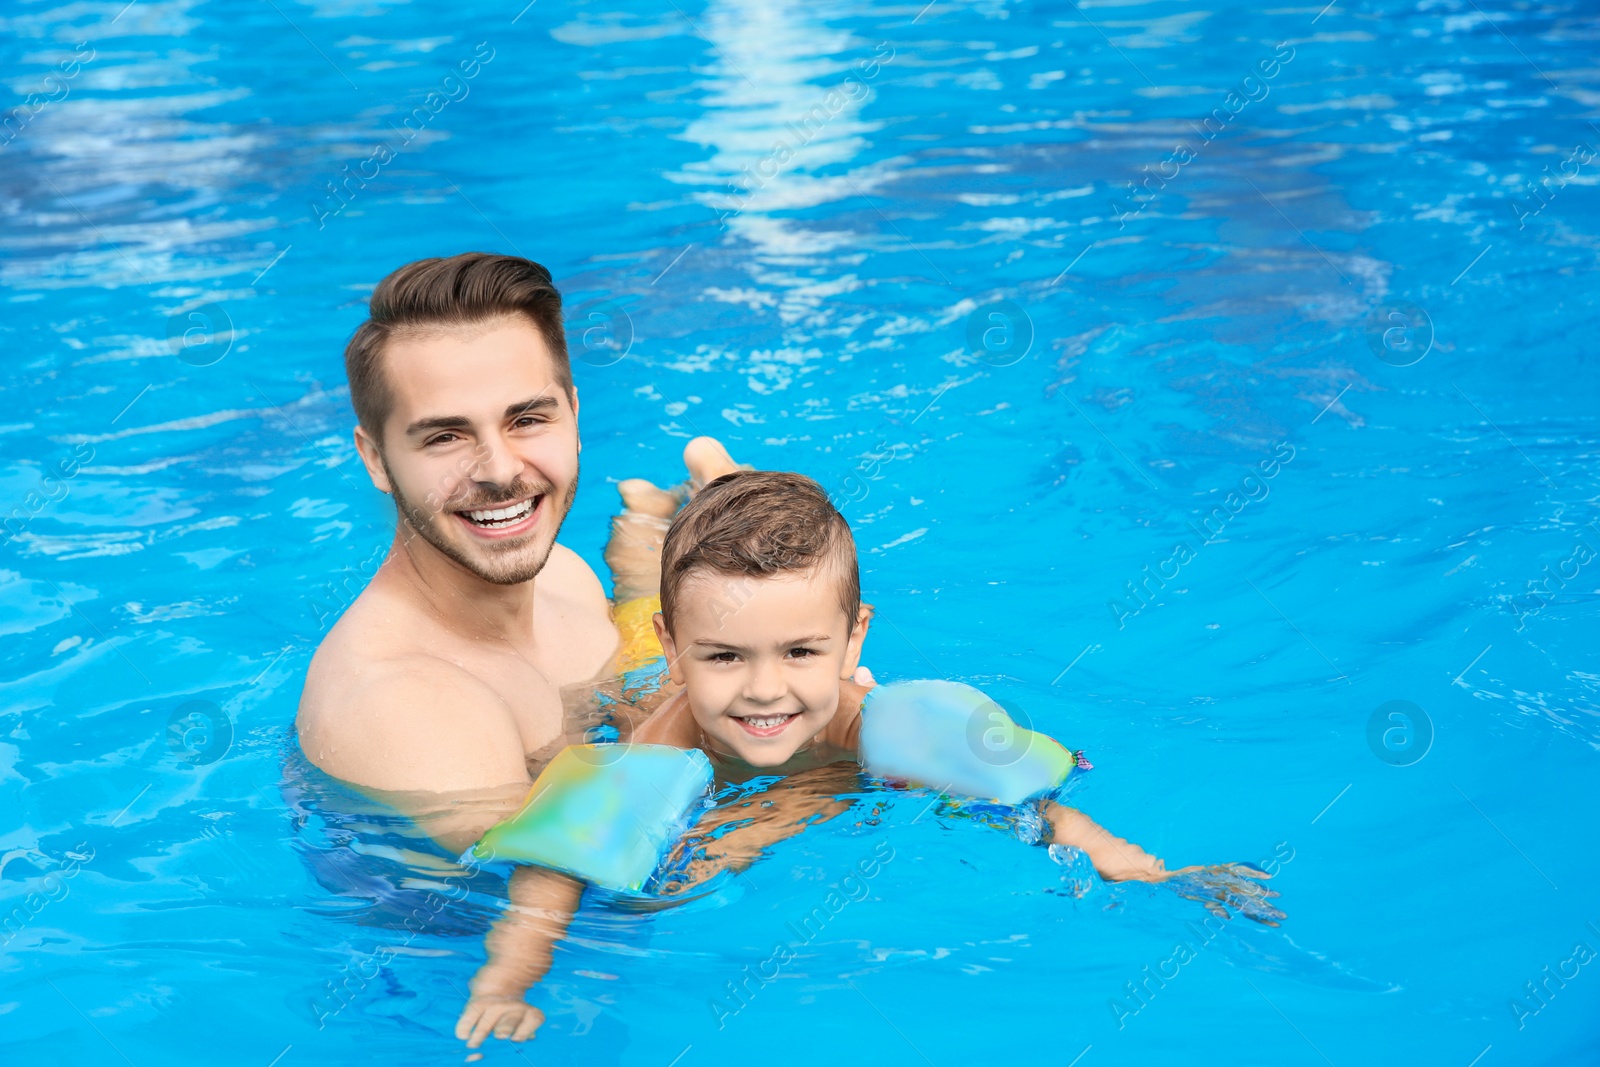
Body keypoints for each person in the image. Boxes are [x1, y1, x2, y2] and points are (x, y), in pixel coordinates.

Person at [454, 470, 1282, 1049]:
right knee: (636, 599)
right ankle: (645, 519)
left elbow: (1036, 814)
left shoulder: (876, 728)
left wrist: (1147, 872)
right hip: (639, 672)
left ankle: (708, 483)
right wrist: (509, 977)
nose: (764, 692)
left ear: (854, 639)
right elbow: (557, 871)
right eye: (723, 658)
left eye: (802, 652)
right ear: (682, 653)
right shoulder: (659, 736)